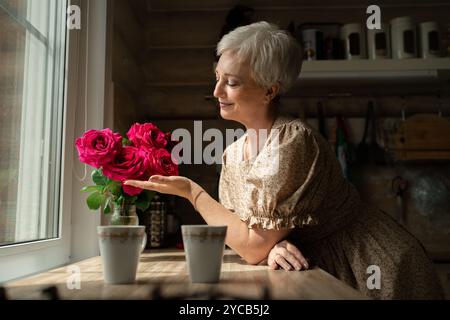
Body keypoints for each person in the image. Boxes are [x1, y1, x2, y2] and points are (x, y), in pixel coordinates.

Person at [125, 21, 444, 299]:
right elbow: (247, 236)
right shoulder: (233, 153)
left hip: (370, 264)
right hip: (313, 268)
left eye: (232, 82)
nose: (217, 90)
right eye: (217, 77)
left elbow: (251, 245)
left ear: (269, 91)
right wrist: (271, 247)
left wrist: (192, 193)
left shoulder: (292, 142)